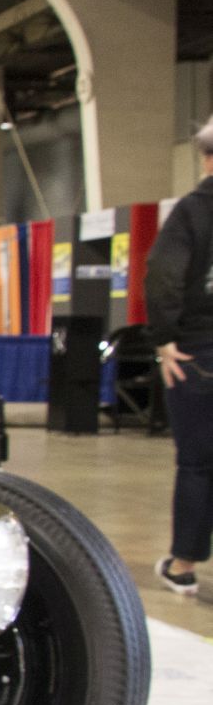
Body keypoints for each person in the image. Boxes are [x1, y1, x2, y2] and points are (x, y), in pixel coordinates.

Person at [145, 115, 213, 596]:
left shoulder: (192, 211)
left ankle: (184, 565)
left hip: (200, 349)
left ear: (206, 159)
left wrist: (165, 337)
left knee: (198, 461)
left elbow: (163, 273)